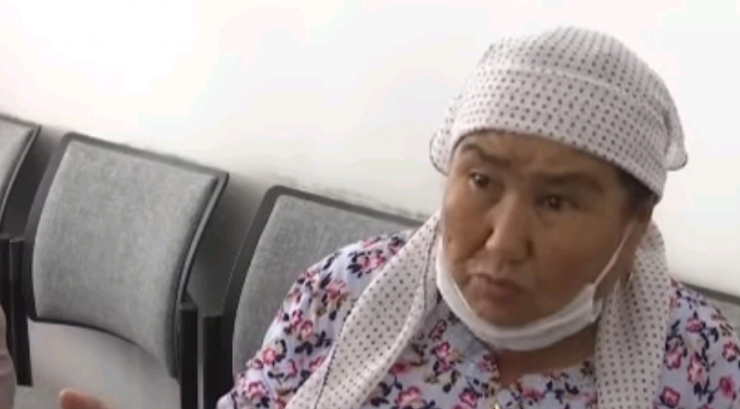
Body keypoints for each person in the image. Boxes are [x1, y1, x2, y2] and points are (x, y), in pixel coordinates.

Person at [59, 27, 740, 409]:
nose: (502, 242)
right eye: (481, 180)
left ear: (635, 223)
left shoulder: (699, 364)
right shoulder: (345, 290)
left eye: (556, 201)